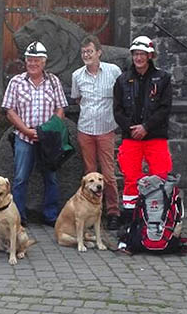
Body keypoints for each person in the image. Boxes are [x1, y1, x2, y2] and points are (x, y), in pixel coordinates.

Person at [2, 41, 69, 227]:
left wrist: (47, 130)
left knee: (51, 178)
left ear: (44, 62)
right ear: (25, 61)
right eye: (30, 60)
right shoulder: (16, 82)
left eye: (37, 60)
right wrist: (26, 130)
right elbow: (9, 110)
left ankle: (50, 215)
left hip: (48, 139)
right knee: (20, 178)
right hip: (24, 137)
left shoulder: (54, 81)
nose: (33, 63)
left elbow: (60, 109)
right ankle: (19, 217)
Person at [113, 35, 173, 227]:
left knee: (160, 176)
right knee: (131, 179)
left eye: (142, 54)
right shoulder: (122, 80)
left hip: (155, 137)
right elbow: (117, 110)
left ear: (150, 55)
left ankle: (160, 217)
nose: (138, 58)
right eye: (136, 54)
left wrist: (146, 127)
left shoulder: (163, 79)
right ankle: (131, 220)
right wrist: (132, 129)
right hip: (131, 138)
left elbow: (165, 108)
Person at [71, 35, 122, 230]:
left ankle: (113, 211)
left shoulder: (113, 71)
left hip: (106, 129)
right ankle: (91, 211)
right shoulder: (77, 75)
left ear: (99, 52)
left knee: (108, 175)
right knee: (90, 175)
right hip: (85, 130)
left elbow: (120, 96)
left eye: (90, 51)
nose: (86, 55)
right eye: (83, 52)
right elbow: (77, 99)